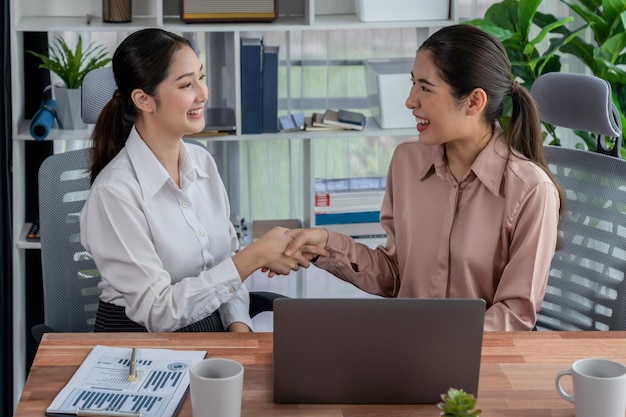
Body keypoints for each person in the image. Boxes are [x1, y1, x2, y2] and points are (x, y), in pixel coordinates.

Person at [283, 24, 564, 331]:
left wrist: (437, 343)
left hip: (478, 361)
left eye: (426, 88)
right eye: (413, 83)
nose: (410, 101)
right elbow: (395, 274)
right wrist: (325, 244)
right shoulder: (406, 162)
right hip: (406, 354)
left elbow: (515, 315)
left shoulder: (532, 191)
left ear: (474, 102)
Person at [80, 28, 321, 333]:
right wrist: (254, 257)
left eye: (201, 77)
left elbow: (222, 266)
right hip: (140, 349)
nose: (203, 93)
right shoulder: (115, 193)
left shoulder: (203, 162)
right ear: (143, 99)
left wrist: (239, 326)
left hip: (210, 331)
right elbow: (158, 312)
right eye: (186, 84)